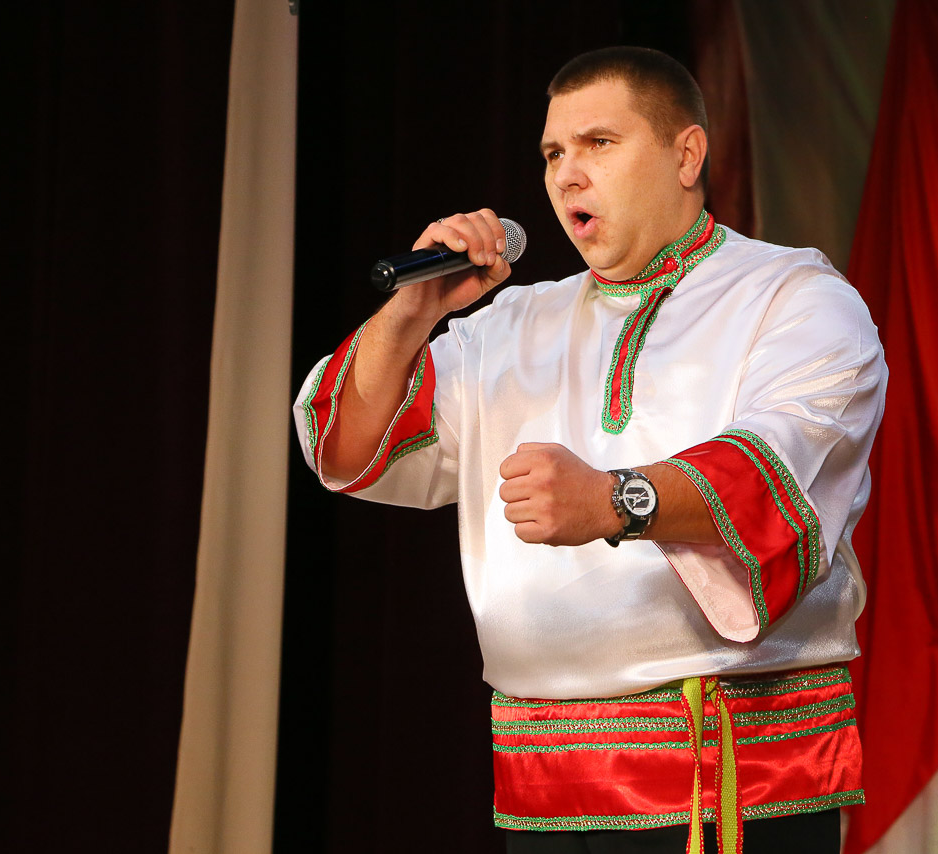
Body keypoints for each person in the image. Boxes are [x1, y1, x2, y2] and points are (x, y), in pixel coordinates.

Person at [293, 47, 886, 854]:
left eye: (598, 143)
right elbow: (345, 446)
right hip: (542, 782)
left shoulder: (795, 298)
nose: (567, 174)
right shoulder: (511, 325)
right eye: (552, 153)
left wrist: (612, 500)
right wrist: (410, 314)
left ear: (686, 155)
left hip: (724, 776)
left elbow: (777, 474)